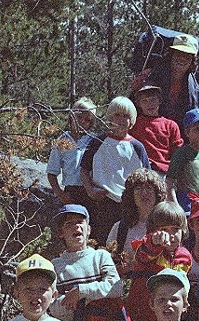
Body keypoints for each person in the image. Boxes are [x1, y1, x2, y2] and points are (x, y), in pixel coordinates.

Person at [50, 204, 127, 321]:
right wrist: (92, 299)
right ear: (61, 233)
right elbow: (54, 307)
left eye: (80, 222)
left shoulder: (100, 257)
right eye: (69, 224)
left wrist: (81, 292)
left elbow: (116, 287)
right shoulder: (55, 265)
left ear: (89, 230)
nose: (76, 226)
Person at [80, 96, 151, 242]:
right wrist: (90, 191)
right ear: (110, 117)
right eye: (117, 115)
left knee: (124, 241)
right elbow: (84, 169)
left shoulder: (137, 147)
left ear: (132, 120)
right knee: (101, 240)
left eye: (126, 116)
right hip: (103, 202)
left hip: (129, 203)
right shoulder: (98, 141)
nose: (121, 120)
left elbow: (147, 176)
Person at [124, 201, 193, 321]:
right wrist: (154, 241)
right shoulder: (148, 247)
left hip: (170, 315)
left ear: (183, 230)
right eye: (164, 230)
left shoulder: (185, 256)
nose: (170, 234)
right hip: (143, 313)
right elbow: (142, 256)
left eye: (175, 229)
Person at [107, 168, 167, 272]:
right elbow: (108, 262)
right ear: (131, 195)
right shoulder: (120, 228)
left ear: (157, 193)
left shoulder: (167, 226)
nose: (144, 193)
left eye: (149, 188)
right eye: (138, 188)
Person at [46, 97, 97, 208]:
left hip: (90, 190)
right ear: (71, 117)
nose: (82, 122)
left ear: (91, 123)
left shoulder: (94, 141)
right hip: (71, 191)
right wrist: (60, 194)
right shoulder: (62, 140)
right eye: (79, 117)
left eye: (87, 120)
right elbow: (51, 172)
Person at [166, 108, 199, 215]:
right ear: (187, 132)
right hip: (185, 207)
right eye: (197, 129)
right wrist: (175, 207)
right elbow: (169, 182)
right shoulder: (182, 154)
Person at [129, 82, 182, 176]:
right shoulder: (134, 124)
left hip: (163, 173)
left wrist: (173, 176)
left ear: (159, 100)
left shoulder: (170, 125)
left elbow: (177, 154)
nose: (149, 104)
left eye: (153, 99)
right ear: (139, 104)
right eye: (144, 101)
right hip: (140, 171)